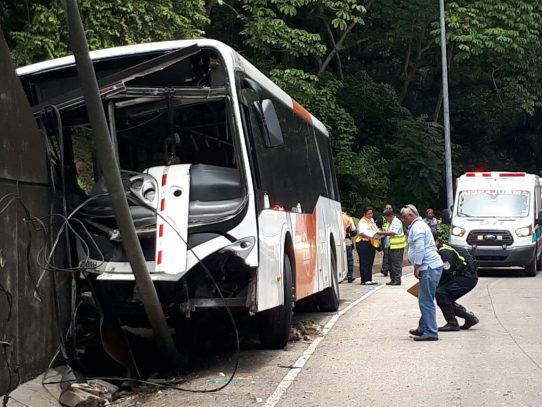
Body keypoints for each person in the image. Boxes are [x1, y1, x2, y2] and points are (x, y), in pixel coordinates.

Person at [401, 204, 443, 341]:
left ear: (410, 215)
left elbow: (420, 248)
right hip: (431, 266)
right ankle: (423, 327)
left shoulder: (417, 227)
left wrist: (417, 266)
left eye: (403, 217)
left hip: (428, 266)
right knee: (425, 298)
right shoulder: (419, 225)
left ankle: (430, 331)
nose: (403, 220)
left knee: (426, 301)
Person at [434, 231, 479, 331]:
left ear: (436, 241)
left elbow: (446, 272)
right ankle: (469, 318)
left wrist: (436, 285)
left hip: (467, 277)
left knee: (441, 293)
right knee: (445, 297)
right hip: (464, 276)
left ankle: (452, 323)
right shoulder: (442, 249)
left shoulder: (444, 252)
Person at [378, 209, 407, 285]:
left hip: (397, 246)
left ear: (390, 216)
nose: (385, 220)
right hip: (391, 246)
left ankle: (397, 280)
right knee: (391, 263)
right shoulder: (389, 223)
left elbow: (392, 232)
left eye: (386, 218)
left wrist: (380, 232)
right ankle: (393, 279)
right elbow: (386, 231)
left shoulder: (396, 222)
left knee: (396, 263)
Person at [355, 207, 380, 285]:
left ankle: (369, 278)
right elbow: (361, 233)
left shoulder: (371, 220)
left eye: (371, 213)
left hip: (371, 243)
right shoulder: (362, 222)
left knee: (370, 261)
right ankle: (364, 279)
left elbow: (375, 229)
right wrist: (371, 236)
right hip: (363, 243)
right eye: (368, 213)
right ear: (364, 214)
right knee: (364, 261)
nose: (370, 215)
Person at [377, 203, 394, 277]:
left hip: (392, 238)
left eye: (390, 208)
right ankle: (385, 269)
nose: (388, 210)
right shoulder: (381, 219)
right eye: (387, 208)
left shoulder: (395, 219)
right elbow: (376, 227)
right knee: (386, 253)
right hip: (384, 238)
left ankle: (388, 269)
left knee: (390, 254)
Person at [342, 209, 356, 283]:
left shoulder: (334, 216)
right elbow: (353, 231)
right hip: (347, 240)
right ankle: (350, 275)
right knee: (349, 259)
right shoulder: (348, 218)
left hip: (337, 241)